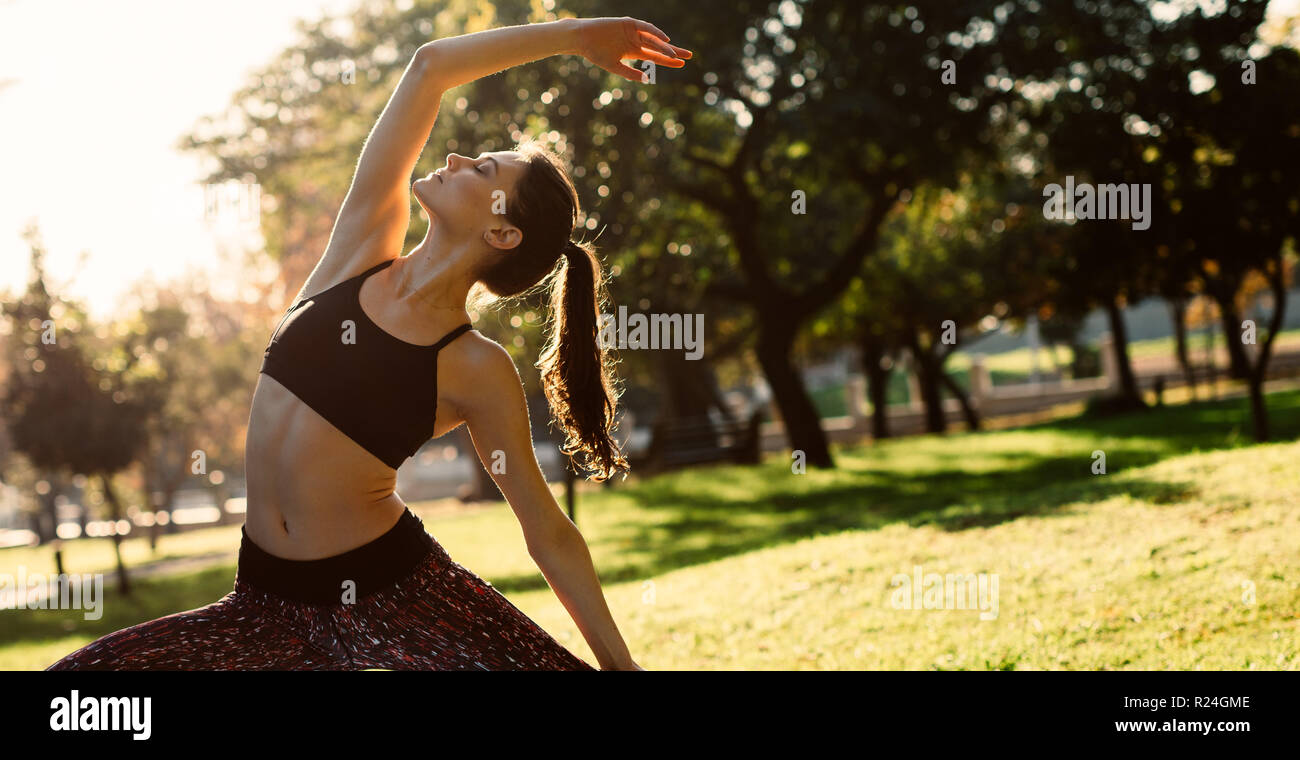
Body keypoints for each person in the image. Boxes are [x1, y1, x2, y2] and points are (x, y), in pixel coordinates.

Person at [46, 16, 692, 671]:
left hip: (399, 603)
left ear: (502, 234)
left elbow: (547, 530)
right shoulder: (359, 250)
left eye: (484, 167)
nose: (457, 159)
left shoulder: (474, 366)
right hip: (261, 607)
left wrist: (621, 667)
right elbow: (429, 67)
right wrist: (577, 37)